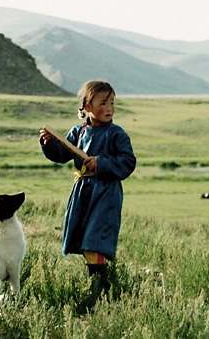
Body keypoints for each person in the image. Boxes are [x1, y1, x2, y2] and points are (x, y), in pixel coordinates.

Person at [39, 80, 136, 311]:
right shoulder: (78, 131)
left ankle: (101, 291)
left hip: (105, 194)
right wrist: (49, 144)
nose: (110, 108)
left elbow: (128, 162)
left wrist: (101, 163)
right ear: (87, 106)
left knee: (96, 241)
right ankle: (98, 288)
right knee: (85, 242)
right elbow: (63, 154)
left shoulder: (116, 134)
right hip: (83, 191)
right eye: (103, 103)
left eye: (112, 102)